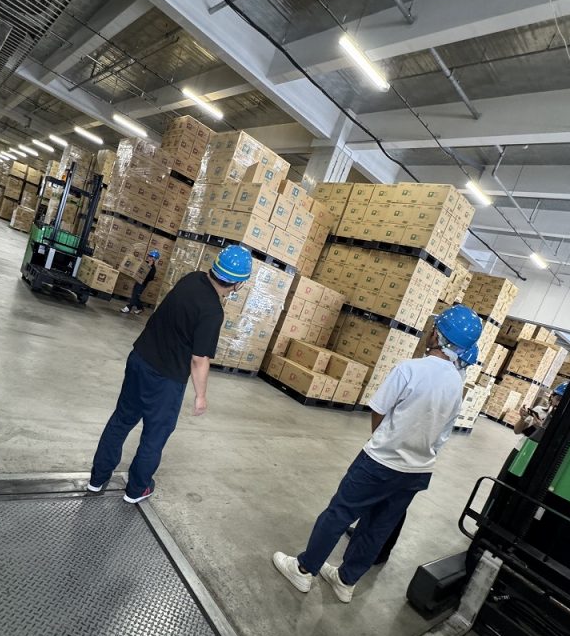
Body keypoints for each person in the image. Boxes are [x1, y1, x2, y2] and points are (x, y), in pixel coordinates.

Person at [273, 304, 483, 602]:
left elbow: (379, 410)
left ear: (437, 335)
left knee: (339, 513)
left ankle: (304, 570)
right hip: (417, 471)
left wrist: (384, 440)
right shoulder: (456, 384)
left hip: (381, 463)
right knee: (378, 527)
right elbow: (442, 435)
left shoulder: (410, 369)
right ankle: (346, 581)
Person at [89, 245, 253, 504]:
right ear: (238, 284)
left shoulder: (192, 278)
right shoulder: (212, 311)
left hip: (139, 359)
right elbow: (199, 359)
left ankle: (97, 479)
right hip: (165, 379)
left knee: (121, 420)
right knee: (154, 436)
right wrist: (201, 396)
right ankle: (136, 490)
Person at [121, 250, 161, 315]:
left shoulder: (153, 269)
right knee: (135, 296)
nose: (148, 257)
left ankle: (128, 308)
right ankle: (140, 308)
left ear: (154, 259)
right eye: (149, 256)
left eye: (150, 256)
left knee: (135, 296)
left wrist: (146, 272)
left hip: (142, 284)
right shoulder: (144, 263)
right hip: (138, 282)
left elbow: (151, 278)